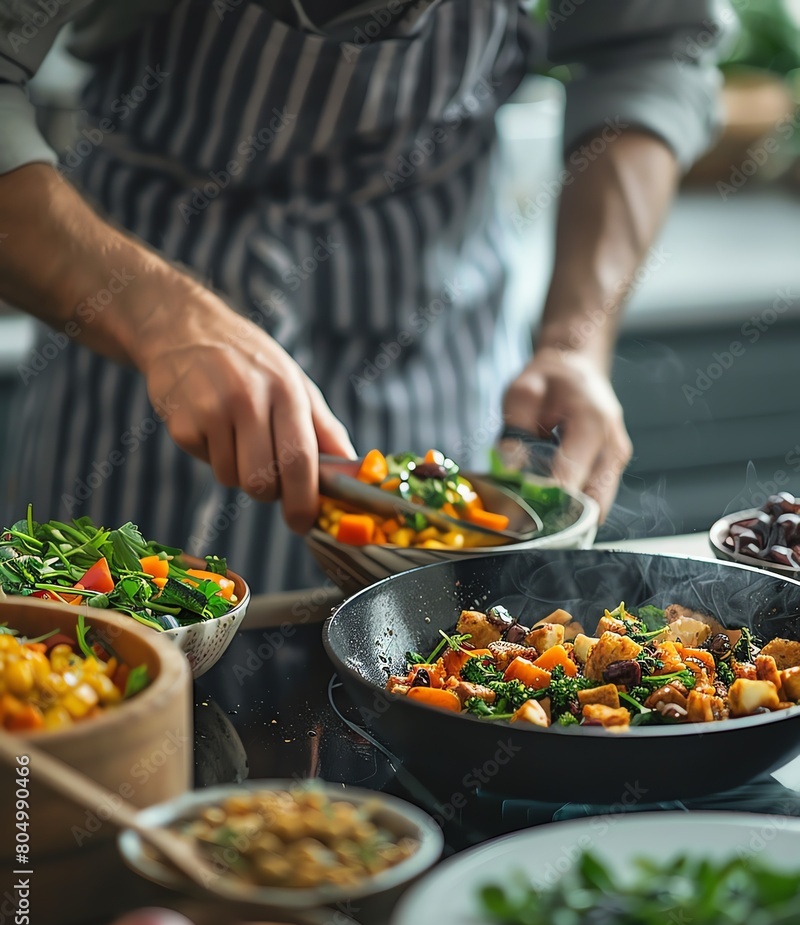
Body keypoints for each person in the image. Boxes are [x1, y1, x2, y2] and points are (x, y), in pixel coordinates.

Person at [0, 0, 726, 591]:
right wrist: (157, 315)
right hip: (122, 350)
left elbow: (651, 46)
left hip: (432, 345)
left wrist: (575, 341)